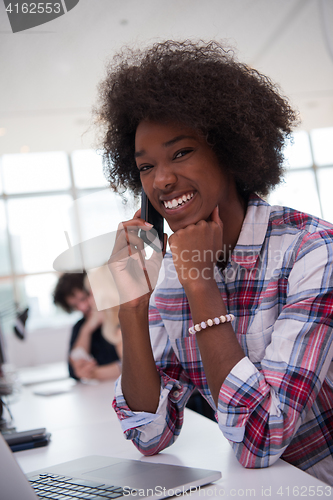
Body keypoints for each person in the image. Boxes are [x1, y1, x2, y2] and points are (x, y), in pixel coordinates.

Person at [96, 40, 333, 485]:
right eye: (146, 167)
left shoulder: (313, 251)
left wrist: (202, 286)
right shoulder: (170, 273)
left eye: (180, 153)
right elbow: (148, 434)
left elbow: (260, 440)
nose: (162, 180)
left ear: (229, 150)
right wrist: (131, 302)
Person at [53, 272, 122, 381]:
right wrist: (86, 329)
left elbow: (131, 365)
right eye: (74, 305)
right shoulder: (80, 326)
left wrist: (95, 373)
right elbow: (73, 370)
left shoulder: (119, 317)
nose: (82, 307)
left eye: (83, 298)